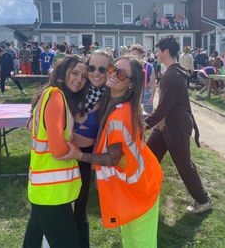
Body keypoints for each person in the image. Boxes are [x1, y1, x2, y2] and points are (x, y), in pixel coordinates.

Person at [61, 56, 163, 248]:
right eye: (113, 68)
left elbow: (113, 158)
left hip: (143, 188)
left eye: (121, 73)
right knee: (132, 240)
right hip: (136, 187)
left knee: (141, 243)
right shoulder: (117, 103)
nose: (113, 74)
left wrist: (80, 155)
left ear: (131, 84)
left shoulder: (119, 115)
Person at [23, 55, 88, 248]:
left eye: (84, 76)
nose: (79, 79)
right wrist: (75, 148)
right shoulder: (55, 96)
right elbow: (58, 149)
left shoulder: (52, 96)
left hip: (44, 188)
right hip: (53, 193)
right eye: (75, 73)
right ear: (62, 72)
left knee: (33, 241)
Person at [145, 36, 212, 214]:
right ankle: (145, 193)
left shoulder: (172, 76)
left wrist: (143, 125)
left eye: (157, 51)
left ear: (166, 51)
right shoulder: (174, 72)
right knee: (148, 158)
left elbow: (163, 109)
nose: (156, 54)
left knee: (183, 164)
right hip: (164, 126)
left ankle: (203, 200)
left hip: (176, 127)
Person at [72, 49, 112, 248]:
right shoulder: (77, 86)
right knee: (59, 207)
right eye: (92, 68)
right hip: (61, 155)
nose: (96, 73)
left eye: (102, 69)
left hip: (84, 159)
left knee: (79, 208)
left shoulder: (111, 99)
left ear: (109, 71)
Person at [130, 44, 156, 114]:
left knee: (147, 113)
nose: (133, 57)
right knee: (135, 113)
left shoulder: (149, 67)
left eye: (135, 54)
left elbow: (153, 83)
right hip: (135, 91)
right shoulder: (130, 66)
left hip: (146, 91)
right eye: (132, 55)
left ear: (141, 54)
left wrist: (152, 97)